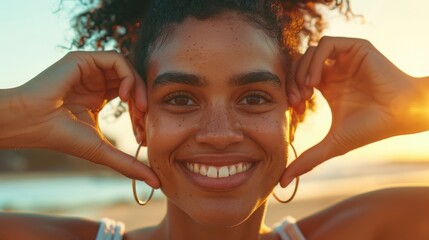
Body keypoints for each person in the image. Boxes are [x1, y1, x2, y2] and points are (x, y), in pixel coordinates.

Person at [1, 0, 429, 239]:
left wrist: (412, 100)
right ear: (139, 120)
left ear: (293, 118)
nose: (220, 134)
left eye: (255, 97)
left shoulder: (379, 226)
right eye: (182, 98)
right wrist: (15, 114)